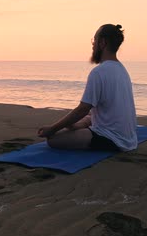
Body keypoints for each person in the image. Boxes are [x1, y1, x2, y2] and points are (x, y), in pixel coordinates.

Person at [38, 23, 137, 151]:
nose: (92, 44)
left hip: (112, 139)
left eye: (94, 40)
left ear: (102, 43)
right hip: (129, 137)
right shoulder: (122, 70)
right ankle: (78, 126)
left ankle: (79, 130)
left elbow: (82, 109)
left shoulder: (99, 72)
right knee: (90, 115)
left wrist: (52, 129)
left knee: (54, 139)